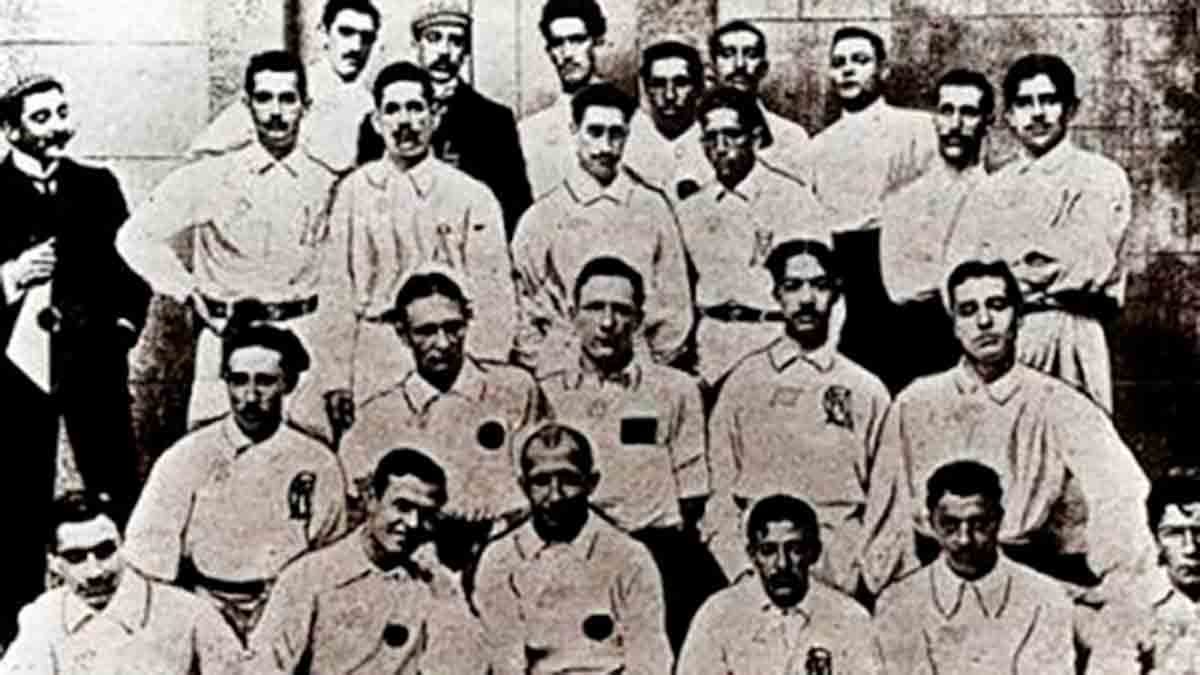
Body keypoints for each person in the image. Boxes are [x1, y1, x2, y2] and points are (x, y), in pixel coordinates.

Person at [858, 259, 1154, 598]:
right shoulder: (915, 402)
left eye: (997, 305)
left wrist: (1119, 580)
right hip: (935, 583)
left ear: (1019, 317)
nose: (984, 321)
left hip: (1026, 582)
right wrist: (899, 591)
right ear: (954, 326)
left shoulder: (1059, 402)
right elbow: (887, 510)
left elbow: (1121, 492)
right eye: (968, 310)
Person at [117, 50, 348, 438]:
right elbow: (134, 237)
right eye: (264, 98)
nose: (276, 112)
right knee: (217, 452)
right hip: (228, 337)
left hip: (302, 336)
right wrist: (188, 292)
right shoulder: (211, 176)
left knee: (305, 450)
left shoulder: (328, 182)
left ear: (306, 106)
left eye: (287, 99)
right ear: (247, 104)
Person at [0, 72, 151, 644]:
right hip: (14, 378)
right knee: (14, 506)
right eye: (41, 118)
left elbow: (132, 271)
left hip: (94, 372)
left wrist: (121, 329)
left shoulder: (97, 187)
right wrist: (10, 276)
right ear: (11, 130)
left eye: (62, 113)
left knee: (116, 489)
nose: (58, 127)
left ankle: (125, 628)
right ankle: (19, 638)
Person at [536, 256, 720, 651]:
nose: (607, 323)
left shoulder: (676, 390)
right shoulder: (546, 393)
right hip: (575, 555)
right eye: (594, 308)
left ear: (638, 319)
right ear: (572, 315)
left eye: (620, 310)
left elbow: (692, 492)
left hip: (656, 554)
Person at [122, 323, 348, 640]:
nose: (250, 396)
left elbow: (330, 555)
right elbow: (148, 550)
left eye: (265, 381)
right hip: (205, 608)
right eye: (239, 381)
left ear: (288, 384)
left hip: (286, 608)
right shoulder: (187, 456)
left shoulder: (316, 460)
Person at [947, 53, 1131, 414]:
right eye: (1025, 103)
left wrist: (1006, 268)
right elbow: (960, 271)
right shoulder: (989, 191)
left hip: (1073, 333)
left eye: (1048, 101)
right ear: (1009, 116)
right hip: (1004, 338)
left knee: (1077, 435)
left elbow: (1086, 266)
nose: (1038, 114)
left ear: (1070, 109)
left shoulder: (1101, 177)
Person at [326, 61, 517, 407]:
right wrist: (337, 379)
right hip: (377, 355)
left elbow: (494, 296)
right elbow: (337, 291)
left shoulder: (471, 195)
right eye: (392, 110)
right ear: (376, 121)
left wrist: (481, 372)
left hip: (450, 352)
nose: (404, 122)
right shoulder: (353, 192)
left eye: (415, 108)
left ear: (435, 115)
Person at [706, 239, 890, 592]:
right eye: (792, 286)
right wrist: (742, 573)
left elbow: (887, 500)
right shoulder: (744, 382)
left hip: (841, 570)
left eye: (819, 285)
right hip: (760, 570)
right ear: (776, 294)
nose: (806, 299)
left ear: (836, 293)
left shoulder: (866, 388)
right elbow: (720, 497)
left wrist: (863, 576)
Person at [339, 268, 544, 581]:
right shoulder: (378, 416)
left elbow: (545, 476)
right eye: (426, 331)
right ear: (403, 334)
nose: (443, 343)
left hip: (510, 558)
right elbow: (364, 510)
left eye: (453, 328)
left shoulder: (515, 390)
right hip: (418, 571)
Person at [512, 82, 692, 377]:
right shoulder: (542, 216)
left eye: (616, 134)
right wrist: (548, 368)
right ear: (574, 131)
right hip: (563, 372)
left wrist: (651, 369)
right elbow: (524, 307)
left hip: (639, 370)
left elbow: (675, 303)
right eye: (595, 132)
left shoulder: (653, 208)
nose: (606, 147)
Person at [474, 423, 673, 674]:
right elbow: (505, 663)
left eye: (568, 479)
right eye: (541, 481)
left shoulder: (629, 557)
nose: (555, 495)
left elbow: (650, 658)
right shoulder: (500, 559)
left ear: (592, 482)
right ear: (524, 486)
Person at [675, 86, 831, 388]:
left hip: (772, 337)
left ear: (756, 138)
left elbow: (825, 290)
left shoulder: (794, 200)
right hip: (712, 345)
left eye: (731, 135)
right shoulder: (691, 209)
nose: (720, 148)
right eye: (711, 138)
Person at [0, 491, 246, 674]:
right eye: (75, 557)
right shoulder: (43, 617)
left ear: (125, 545)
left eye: (105, 551)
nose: (95, 572)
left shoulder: (188, 613)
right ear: (54, 562)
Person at [856, 68, 995, 393]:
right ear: (934, 118)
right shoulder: (904, 200)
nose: (955, 125)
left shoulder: (1002, 196)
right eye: (946, 111)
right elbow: (900, 286)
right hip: (918, 347)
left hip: (984, 347)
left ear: (988, 121)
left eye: (968, 112)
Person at [874, 460, 1076, 674]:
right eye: (950, 525)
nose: (965, 539)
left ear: (999, 520)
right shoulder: (898, 603)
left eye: (979, 524)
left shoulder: (1045, 599)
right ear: (931, 522)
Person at [356, 0, 533, 238]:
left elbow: (515, 209)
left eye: (456, 41)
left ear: (466, 52)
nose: (444, 51)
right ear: (416, 45)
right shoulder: (379, 124)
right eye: (434, 38)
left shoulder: (494, 121)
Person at [678, 494, 881, 675]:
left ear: (814, 552)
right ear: (752, 555)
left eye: (795, 549)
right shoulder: (718, 615)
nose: (782, 564)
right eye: (768, 550)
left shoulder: (850, 618)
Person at [189, 0, 381, 175]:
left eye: (367, 37)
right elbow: (204, 152)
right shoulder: (285, 88)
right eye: (346, 32)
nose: (356, 46)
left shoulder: (369, 106)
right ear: (324, 33)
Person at [800, 26, 937, 225]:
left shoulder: (917, 128)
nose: (847, 70)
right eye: (838, 63)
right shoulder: (818, 146)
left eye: (860, 60)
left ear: (883, 71)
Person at [1085, 466, 1200, 673]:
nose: (1190, 548)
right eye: (1174, 533)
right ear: (1156, 541)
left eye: (1199, 532)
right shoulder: (1129, 608)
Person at [520, 0, 609, 196]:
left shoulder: (631, 120)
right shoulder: (529, 134)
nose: (567, 54)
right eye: (557, 43)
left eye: (577, 40)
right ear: (549, 52)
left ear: (597, 42)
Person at [707, 19, 812, 179]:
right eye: (728, 54)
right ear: (712, 68)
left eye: (750, 54)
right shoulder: (694, 137)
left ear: (764, 68)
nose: (740, 64)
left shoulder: (791, 137)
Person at [623, 37, 711, 202]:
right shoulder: (626, 142)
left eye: (681, 83)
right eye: (658, 84)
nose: (669, 95)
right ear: (645, 88)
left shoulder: (715, 139)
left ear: (698, 87)